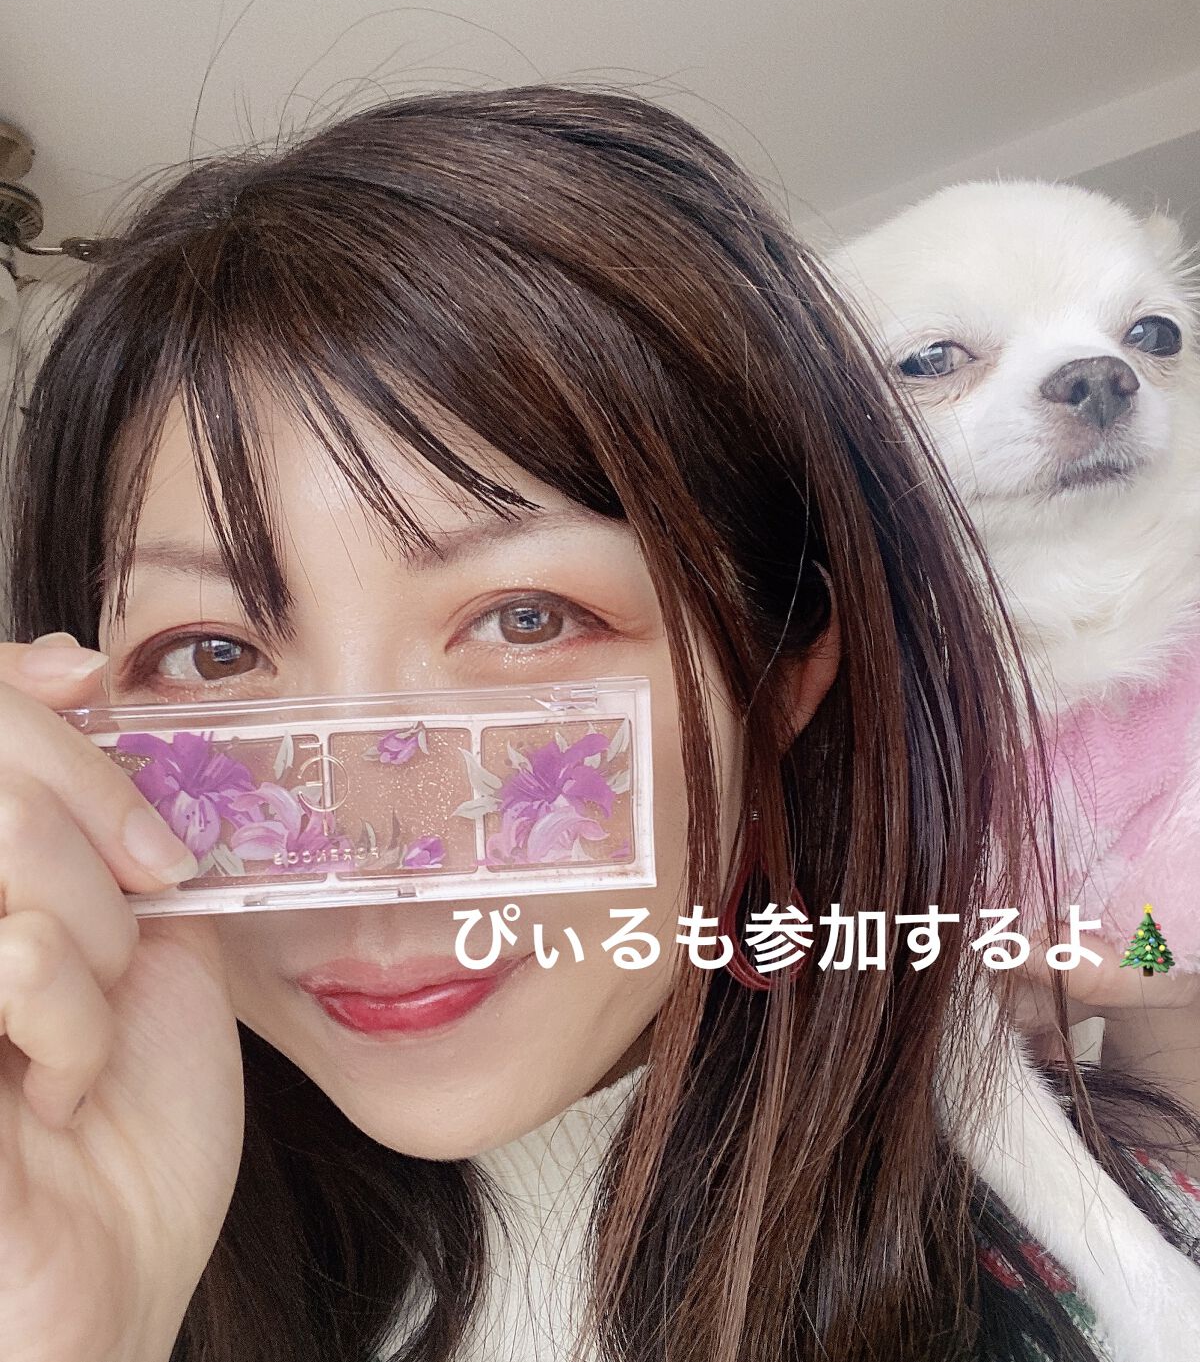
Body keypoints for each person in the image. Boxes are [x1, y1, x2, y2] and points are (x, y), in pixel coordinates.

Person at [0, 85, 1196, 1362]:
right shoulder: (74, 1237)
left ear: (781, 673)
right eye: (213, 653)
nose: (380, 872)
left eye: (526, 619)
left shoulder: (1109, 1258)